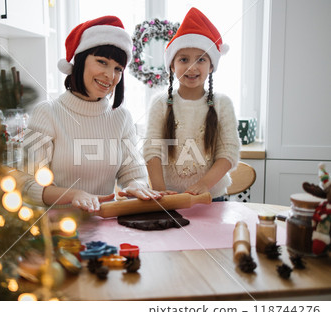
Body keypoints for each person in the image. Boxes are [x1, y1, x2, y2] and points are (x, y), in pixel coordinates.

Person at [13, 16, 163, 213]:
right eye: (102, 62)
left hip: (107, 225)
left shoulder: (121, 117)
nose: (110, 76)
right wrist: (74, 195)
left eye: (118, 68)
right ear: (80, 61)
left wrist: (136, 186)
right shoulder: (48, 113)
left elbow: (133, 173)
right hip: (60, 230)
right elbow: (26, 184)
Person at [143, 8, 240, 201]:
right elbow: (152, 149)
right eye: (183, 59)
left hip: (211, 198)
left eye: (201, 59)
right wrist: (161, 192)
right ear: (172, 65)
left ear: (211, 66)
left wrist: (204, 185)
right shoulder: (160, 103)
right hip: (169, 196)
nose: (192, 67)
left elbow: (228, 152)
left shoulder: (222, 104)